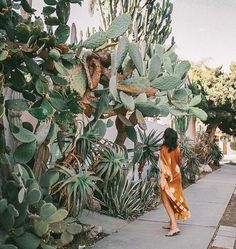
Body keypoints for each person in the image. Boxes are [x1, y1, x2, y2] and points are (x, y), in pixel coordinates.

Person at [158, 128, 190, 237]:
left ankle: (174, 227)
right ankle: (171, 222)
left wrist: (162, 179)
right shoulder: (177, 148)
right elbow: (178, 162)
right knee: (173, 198)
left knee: (166, 201)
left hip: (168, 178)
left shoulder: (163, 148)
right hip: (176, 176)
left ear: (165, 137)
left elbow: (164, 166)